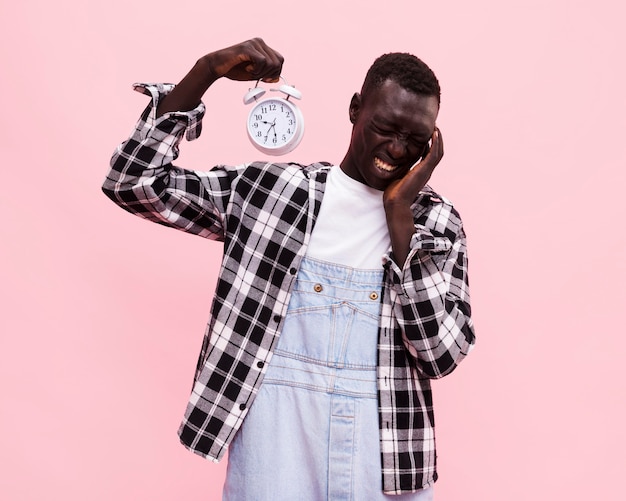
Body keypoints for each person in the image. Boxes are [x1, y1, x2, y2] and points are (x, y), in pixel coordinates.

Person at [103, 38, 475, 499]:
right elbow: (132, 182)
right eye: (385, 127)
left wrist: (400, 217)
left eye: (416, 141)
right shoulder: (272, 193)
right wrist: (205, 72)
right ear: (356, 108)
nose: (398, 149)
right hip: (275, 444)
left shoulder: (435, 223)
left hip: (385, 456)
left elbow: (441, 353)